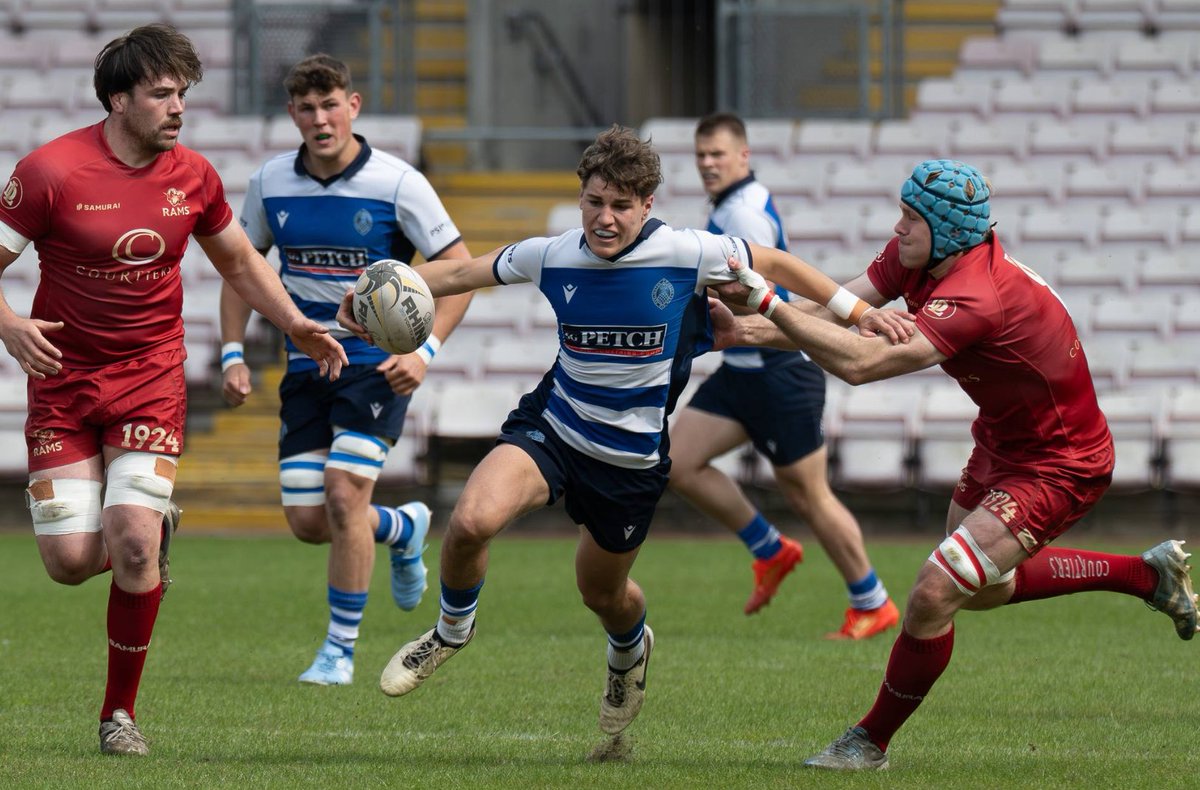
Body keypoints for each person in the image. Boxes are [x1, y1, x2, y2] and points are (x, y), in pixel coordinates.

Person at [334, 125, 912, 739]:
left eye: (620, 206)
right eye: (594, 202)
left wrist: (862, 312)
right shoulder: (552, 254)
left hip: (629, 462)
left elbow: (778, 263)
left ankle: (630, 652)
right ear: (580, 197)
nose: (604, 219)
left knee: (605, 596)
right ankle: (451, 631)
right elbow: (460, 275)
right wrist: (366, 293)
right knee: (472, 521)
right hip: (553, 429)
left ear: (647, 206)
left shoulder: (690, 253)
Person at [715, 158, 1198, 770]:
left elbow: (861, 364)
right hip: (1003, 440)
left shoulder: (976, 293)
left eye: (910, 219)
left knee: (934, 590)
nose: (896, 228)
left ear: (945, 231)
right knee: (982, 591)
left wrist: (768, 306)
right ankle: (1145, 576)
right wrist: (747, 329)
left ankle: (869, 742)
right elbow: (838, 316)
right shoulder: (919, 256)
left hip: (1061, 462)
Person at [0, 24, 346, 756]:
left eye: (183, 93)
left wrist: (297, 324)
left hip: (150, 378)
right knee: (68, 564)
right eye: (162, 94)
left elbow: (242, 262)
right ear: (119, 100)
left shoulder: (192, 175)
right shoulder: (50, 172)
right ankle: (155, 536)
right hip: (62, 383)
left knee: (128, 545)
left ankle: (117, 717)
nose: (178, 107)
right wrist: (6, 324)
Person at [219, 54, 474, 687]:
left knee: (342, 494)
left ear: (353, 106)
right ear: (292, 116)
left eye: (330, 104)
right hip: (306, 367)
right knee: (311, 522)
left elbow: (463, 273)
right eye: (306, 108)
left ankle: (339, 650)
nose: (320, 118)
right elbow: (240, 270)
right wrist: (231, 352)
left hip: (373, 369)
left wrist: (423, 353)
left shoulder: (397, 182)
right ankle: (403, 525)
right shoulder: (270, 183)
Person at [669, 112, 899, 635]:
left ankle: (873, 602)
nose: (707, 163)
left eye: (718, 154)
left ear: (742, 157)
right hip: (742, 371)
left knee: (808, 493)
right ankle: (770, 549)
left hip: (779, 370)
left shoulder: (745, 216)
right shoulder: (731, 207)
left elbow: (761, 301)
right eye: (701, 155)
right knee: (679, 462)